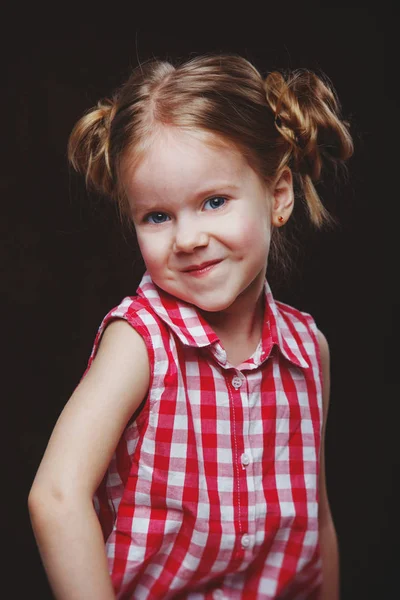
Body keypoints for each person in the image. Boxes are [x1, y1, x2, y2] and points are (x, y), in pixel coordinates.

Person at [28, 53, 353, 600]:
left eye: (214, 202)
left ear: (278, 195)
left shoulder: (307, 350)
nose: (187, 239)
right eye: (157, 216)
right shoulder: (141, 342)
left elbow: (315, 521)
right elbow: (56, 496)